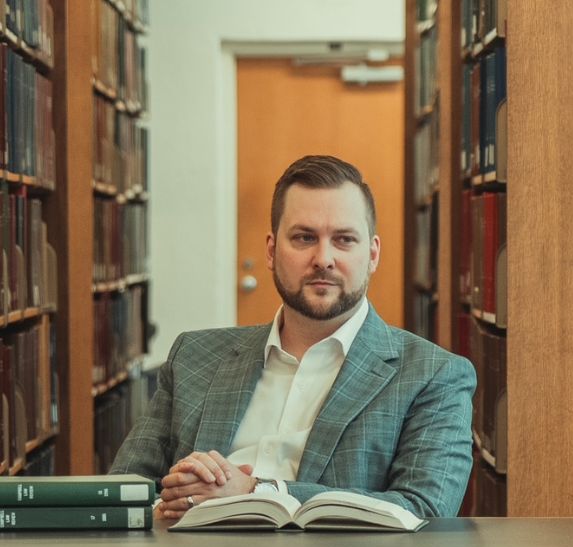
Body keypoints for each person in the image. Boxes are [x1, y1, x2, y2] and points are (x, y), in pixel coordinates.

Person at [110, 154, 476, 520]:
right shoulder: (194, 356)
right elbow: (123, 488)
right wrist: (169, 503)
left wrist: (257, 492)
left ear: (372, 254)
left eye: (344, 240)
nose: (324, 259)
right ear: (271, 251)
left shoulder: (432, 375)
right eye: (304, 238)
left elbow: (426, 510)